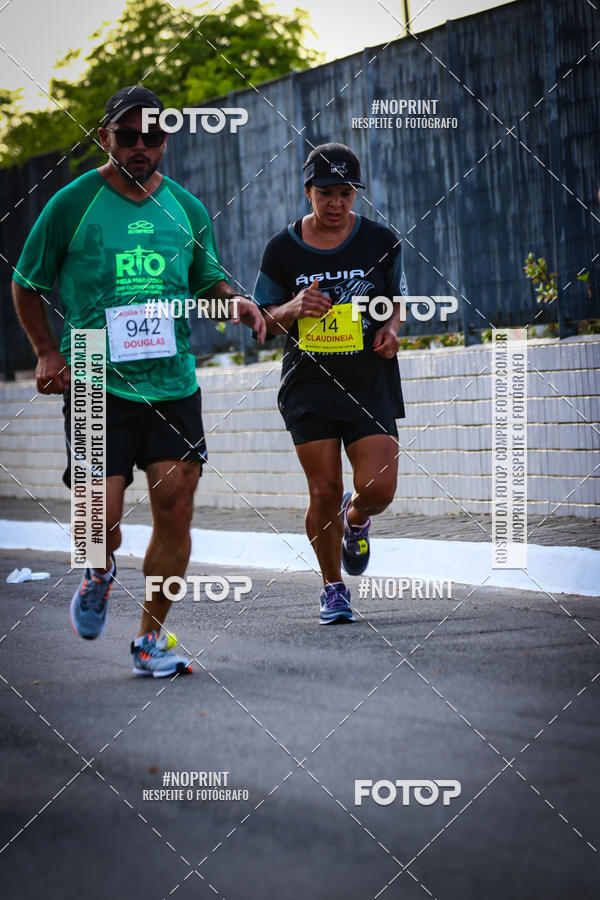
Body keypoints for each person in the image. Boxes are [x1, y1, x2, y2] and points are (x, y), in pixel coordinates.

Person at [12, 85, 266, 676]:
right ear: (105, 137)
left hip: (173, 381)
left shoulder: (188, 208)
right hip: (97, 373)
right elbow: (26, 283)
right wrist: (47, 351)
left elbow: (208, 280)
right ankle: (97, 570)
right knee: (99, 523)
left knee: (176, 509)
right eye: (127, 136)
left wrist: (239, 303)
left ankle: (150, 638)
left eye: (152, 136)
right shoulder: (71, 205)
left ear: (165, 140)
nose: (140, 147)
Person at [254, 142, 406, 624]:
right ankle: (333, 588)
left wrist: (391, 329)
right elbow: (262, 322)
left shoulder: (381, 241)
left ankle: (356, 519)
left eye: (345, 193)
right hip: (309, 387)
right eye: (326, 192)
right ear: (308, 193)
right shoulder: (282, 249)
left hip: (367, 381)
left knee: (378, 489)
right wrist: (294, 309)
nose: (336, 203)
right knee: (322, 491)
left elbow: (396, 300)